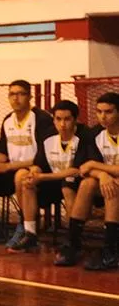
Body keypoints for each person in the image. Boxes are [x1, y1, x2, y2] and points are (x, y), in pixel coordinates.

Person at [0, 80, 54, 246]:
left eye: (21, 94)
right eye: (12, 94)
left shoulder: (41, 119)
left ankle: (24, 226)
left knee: (20, 175)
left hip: (36, 172)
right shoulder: (8, 120)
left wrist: (7, 166)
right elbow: (3, 153)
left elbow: (42, 158)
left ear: (29, 96)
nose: (16, 98)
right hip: (12, 170)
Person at [11, 100, 84, 253]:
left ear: (75, 119)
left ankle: (72, 239)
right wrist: (33, 173)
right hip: (51, 180)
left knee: (67, 185)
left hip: (75, 182)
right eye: (58, 119)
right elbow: (39, 162)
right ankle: (30, 233)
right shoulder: (48, 135)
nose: (62, 124)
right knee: (25, 180)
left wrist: (42, 177)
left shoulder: (84, 135)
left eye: (67, 119)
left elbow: (75, 170)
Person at [59, 92, 119, 270]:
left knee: (113, 186)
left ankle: (111, 250)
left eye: (108, 112)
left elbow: (91, 164)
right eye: (99, 112)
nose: (103, 116)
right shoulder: (94, 135)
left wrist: (97, 167)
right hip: (106, 182)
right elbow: (84, 168)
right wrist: (102, 174)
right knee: (87, 183)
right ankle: (74, 243)